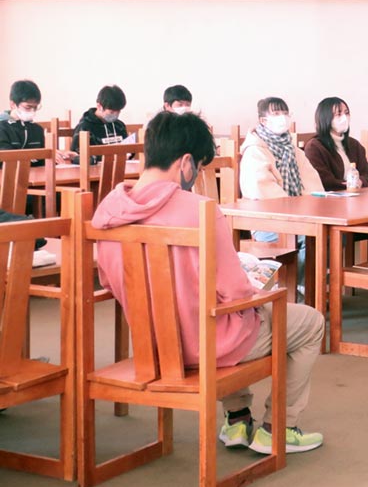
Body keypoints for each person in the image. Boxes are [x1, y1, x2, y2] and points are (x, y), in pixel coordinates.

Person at [92, 111, 324, 454]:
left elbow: (109, 281)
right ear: (186, 163)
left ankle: (238, 419)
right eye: (200, 168)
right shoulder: (199, 209)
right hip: (206, 345)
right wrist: (256, 286)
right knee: (307, 321)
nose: (197, 176)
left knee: (217, 312)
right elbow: (235, 292)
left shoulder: (108, 210)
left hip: (151, 344)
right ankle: (278, 429)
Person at [239, 97, 323, 253]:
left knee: (330, 235)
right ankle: (298, 271)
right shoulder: (254, 151)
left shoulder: (293, 150)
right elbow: (262, 190)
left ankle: (317, 271)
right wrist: (296, 211)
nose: (282, 117)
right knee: (311, 238)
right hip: (265, 221)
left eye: (285, 113)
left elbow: (313, 184)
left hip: (299, 218)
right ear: (263, 121)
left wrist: (306, 212)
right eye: (276, 113)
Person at [303, 97, 368, 191]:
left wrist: (360, 182)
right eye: (339, 114)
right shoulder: (314, 147)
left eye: (346, 113)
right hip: (329, 198)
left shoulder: (354, 144)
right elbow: (324, 182)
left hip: (355, 195)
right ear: (325, 118)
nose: (344, 118)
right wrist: (350, 185)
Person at [0, 79, 71, 165]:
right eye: (28, 107)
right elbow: (6, 159)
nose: (32, 111)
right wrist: (38, 155)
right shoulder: (2, 128)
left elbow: (42, 159)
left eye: (35, 107)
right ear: (13, 104)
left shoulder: (37, 129)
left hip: (35, 172)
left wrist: (57, 155)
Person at [71, 84, 128, 153]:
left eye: (118, 111)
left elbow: (128, 149)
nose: (115, 115)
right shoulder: (85, 127)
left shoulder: (119, 126)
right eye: (112, 112)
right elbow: (75, 154)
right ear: (99, 106)